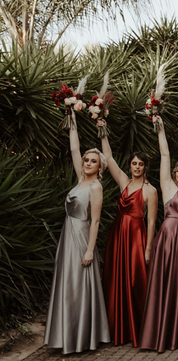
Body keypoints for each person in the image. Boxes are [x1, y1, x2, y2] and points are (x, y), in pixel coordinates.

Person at [44, 110, 111, 354]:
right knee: (68, 283)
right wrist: (71, 116)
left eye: (93, 161)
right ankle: (65, 335)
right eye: (87, 160)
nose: (88, 163)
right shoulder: (80, 180)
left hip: (82, 235)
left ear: (100, 166)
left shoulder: (95, 186)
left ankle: (81, 337)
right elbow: (74, 149)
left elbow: (95, 220)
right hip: (67, 235)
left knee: (79, 283)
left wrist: (90, 250)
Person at [139, 115, 178, 352]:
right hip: (167, 241)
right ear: (174, 173)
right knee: (164, 286)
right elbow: (165, 154)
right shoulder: (168, 187)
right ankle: (159, 336)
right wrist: (160, 128)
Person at [98, 119, 158, 347]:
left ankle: (138, 330)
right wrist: (103, 130)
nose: (137, 167)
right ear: (130, 166)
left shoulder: (150, 190)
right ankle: (118, 329)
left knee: (135, 281)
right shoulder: (124, 182)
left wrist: (148, 248)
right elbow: (109, 158)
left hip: (136, 238)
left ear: (145, 167)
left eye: (140, 164)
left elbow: (151, 222)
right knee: (117, 281)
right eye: (134, 163)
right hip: (118, 236)